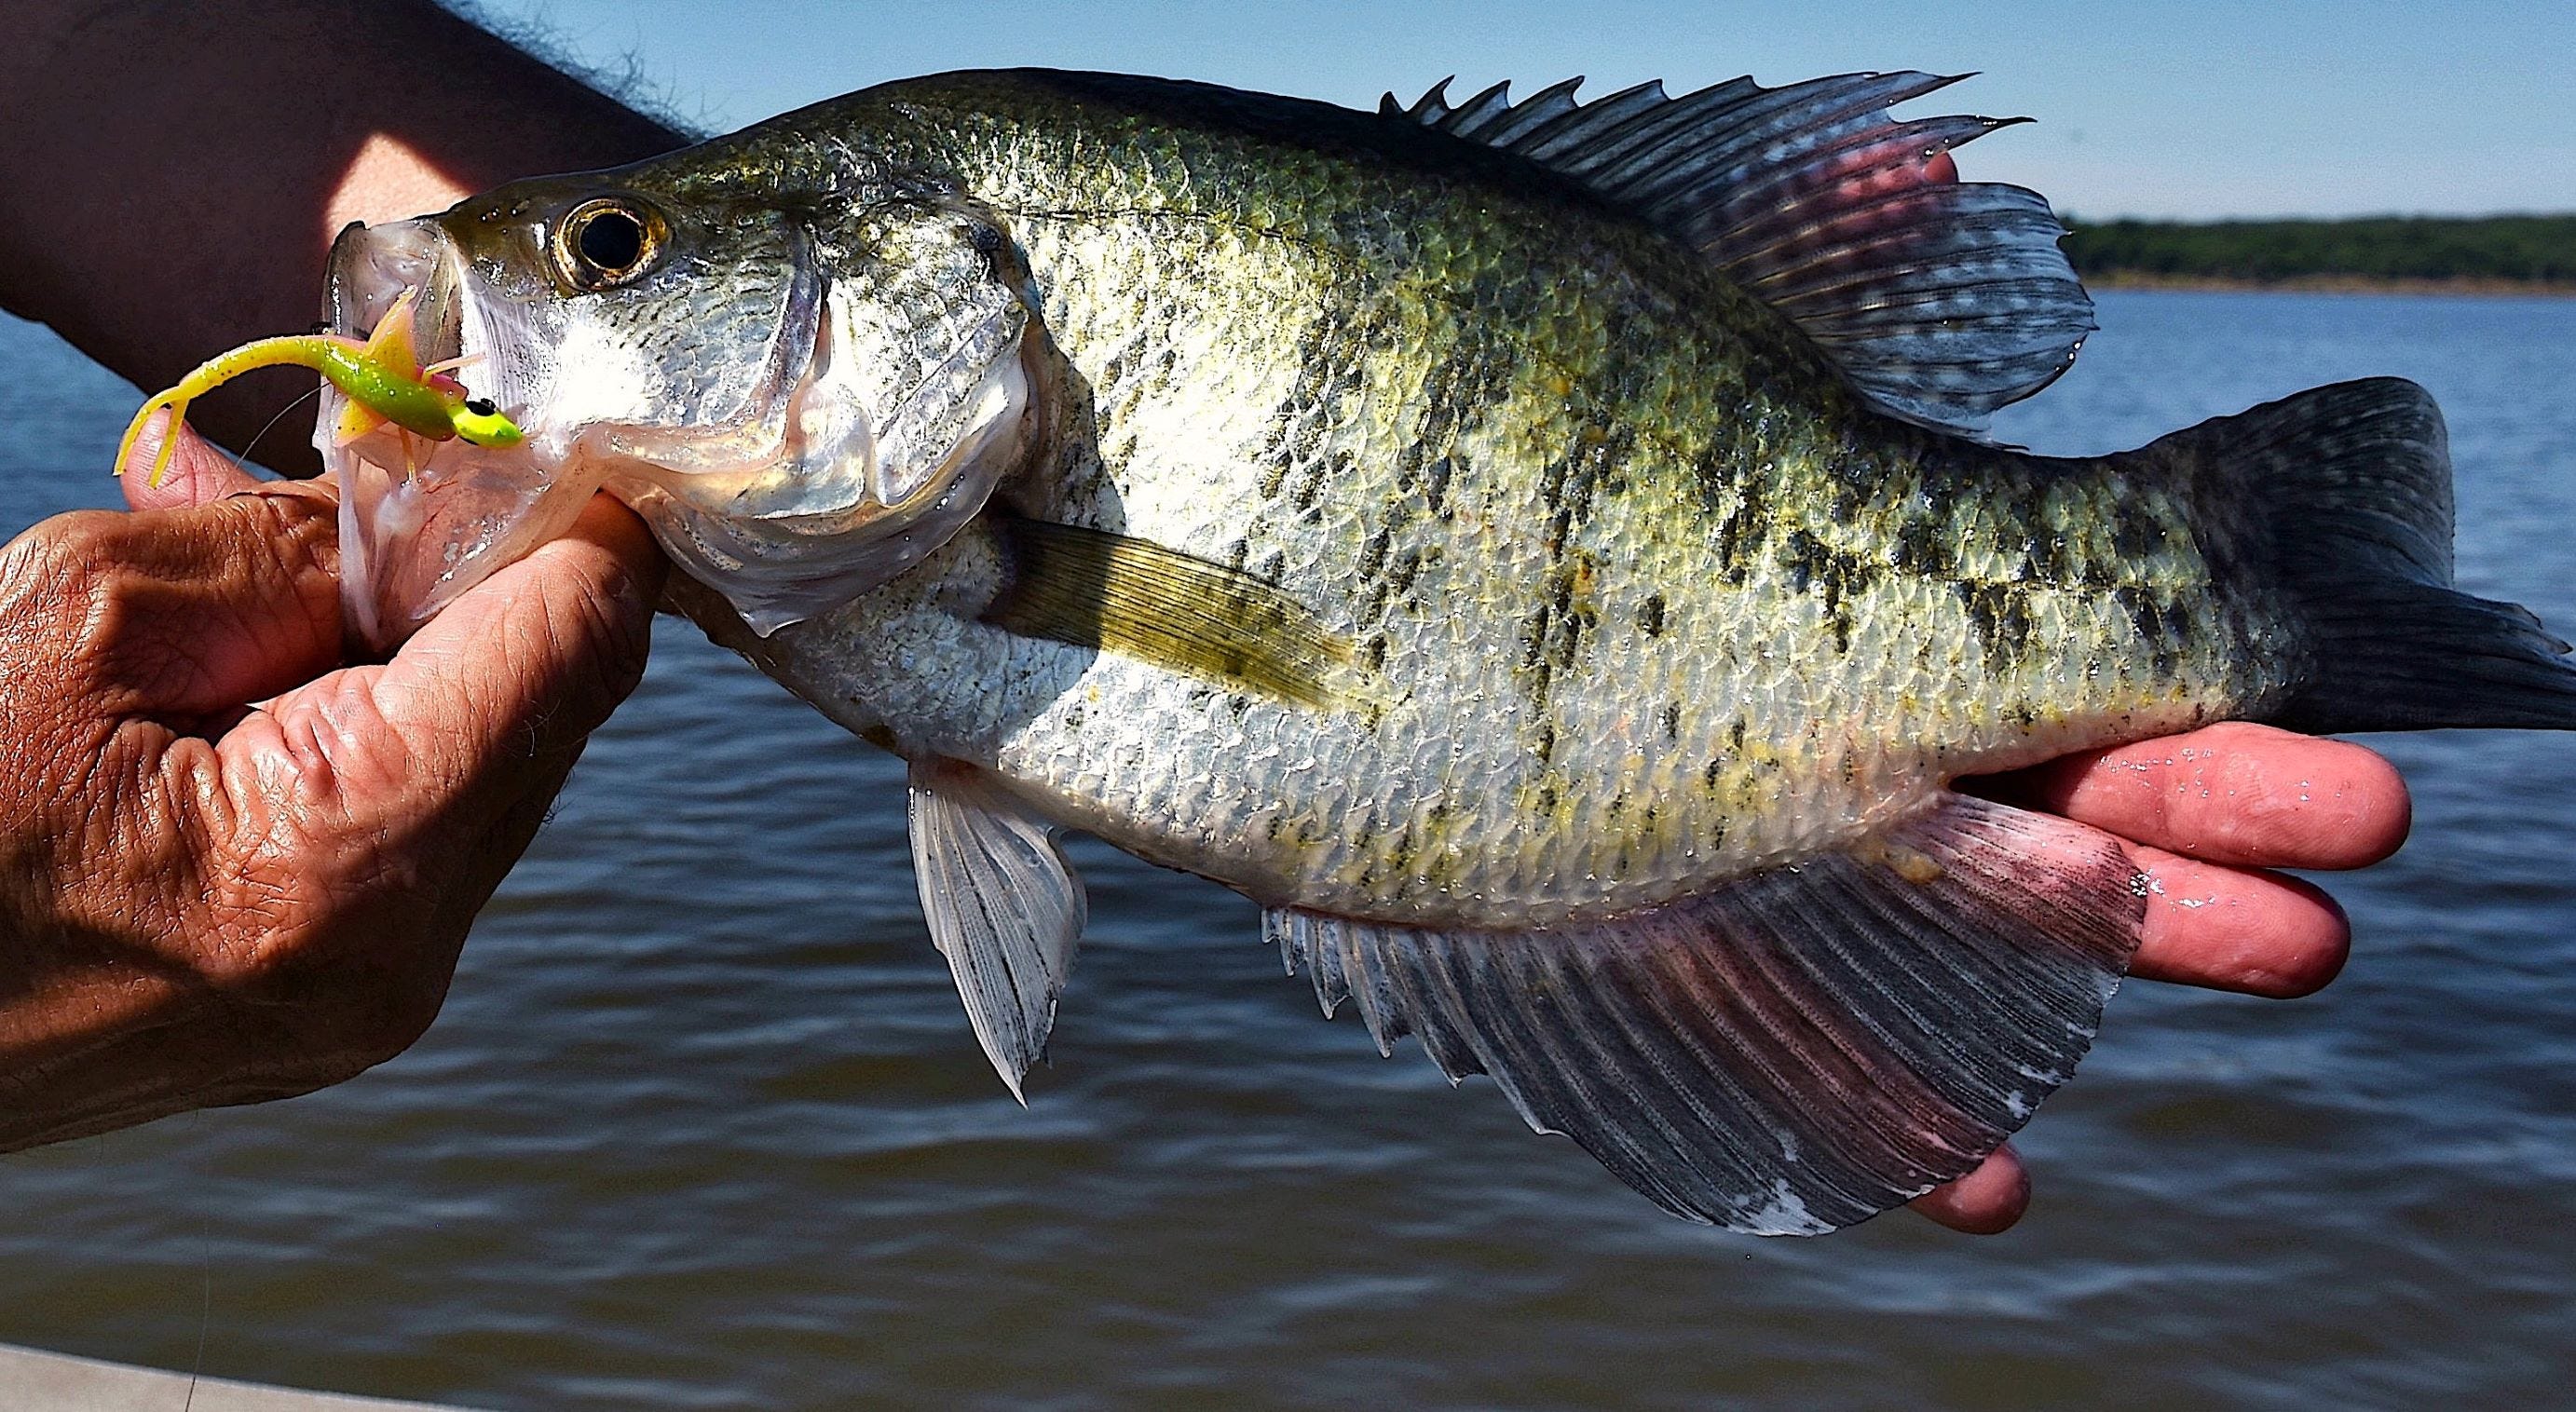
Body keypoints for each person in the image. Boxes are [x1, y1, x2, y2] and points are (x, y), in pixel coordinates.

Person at [0, 0, 2408, 1233]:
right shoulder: (902, 483)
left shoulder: (916, 469)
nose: (543, 280)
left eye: (616, 252)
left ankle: (2229, 593)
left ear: (934, 312)